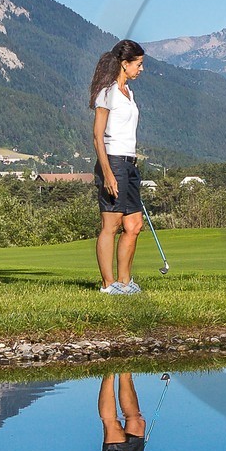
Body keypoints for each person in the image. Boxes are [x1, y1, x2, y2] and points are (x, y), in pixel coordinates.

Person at [90, 39, 146, 295]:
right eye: (138, 64)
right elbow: (97, 136)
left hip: (130, 163)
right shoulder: (107, 92)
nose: (141, 69)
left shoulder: (128, 93)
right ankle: (108, 285)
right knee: (111, 226)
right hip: (113, 162)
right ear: (125, 64)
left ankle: (124, 283)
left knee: (134, 225)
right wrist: (108, 173)